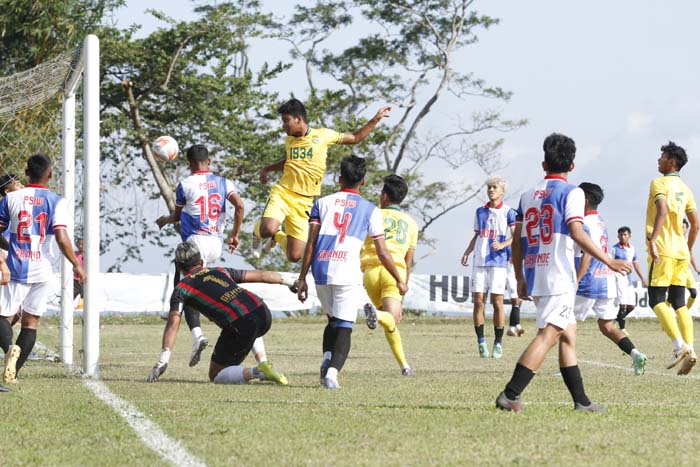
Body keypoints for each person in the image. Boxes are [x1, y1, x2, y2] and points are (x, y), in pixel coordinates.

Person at [495, 133, 631, 412]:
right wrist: (609, 260)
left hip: (535, 272)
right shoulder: (572, 193)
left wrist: (520, 277)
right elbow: (577, 232)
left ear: (543, 164)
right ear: (572, 165)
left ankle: (581, 401)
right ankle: (510, 394)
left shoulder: (527, 194)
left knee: (567, 335)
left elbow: (519, 239)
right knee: (549, 335)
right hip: (558, 274)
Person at [296, 155, 408, 389]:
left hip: (321, 268)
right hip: (347, 270)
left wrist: (302, 277)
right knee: (345, 325)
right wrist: (399, 279)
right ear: (364, 181)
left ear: (339, 178)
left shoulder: (322, 203)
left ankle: (327, 359)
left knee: (332, 320)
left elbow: (310, 243)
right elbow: (383, 252)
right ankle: (332, 374)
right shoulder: (370, 209)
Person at [251, 98, 391, 262]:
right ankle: (257, 231)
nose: (283, 125)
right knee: (267, 229)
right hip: (283, 192)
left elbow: (355, 137)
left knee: (295, 256)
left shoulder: (323, 135)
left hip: (304, 201)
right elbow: (289, 162)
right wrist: (267, 168)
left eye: (286, 120)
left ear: (299, 119)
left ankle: (278, 237)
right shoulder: (289, 140)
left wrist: (376, 119)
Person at [156, 144, 255, 368]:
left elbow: (179, 216)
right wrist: (235, 235)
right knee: (190, 287)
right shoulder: (224, 182)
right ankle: (199, 335)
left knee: (183, 292)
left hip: (195, 242)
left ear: (189, 164)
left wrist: (166, 219)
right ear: (208, 162)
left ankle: (196, 337)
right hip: (215, 243)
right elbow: (239, 206)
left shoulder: (185, 185)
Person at [147, 242, 288, 385]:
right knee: (249, 320)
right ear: (201, 261)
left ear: (178, 267)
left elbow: (172, 325)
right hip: (263, 311)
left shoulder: (182, 289)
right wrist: (293, 283)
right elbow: (262, 276)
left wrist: (162, 361)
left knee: (216, 375)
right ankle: (263, 362)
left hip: (243, 323)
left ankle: (259, 371)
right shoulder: (220, 270)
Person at [0, 154, 86, 385]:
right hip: (43, 269)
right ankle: (13, 372)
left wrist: (4, 252)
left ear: (26, 173)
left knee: (4, 317)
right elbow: (61, 236)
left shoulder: (11, 198)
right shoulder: (57, 201)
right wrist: (77, 265)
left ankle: (9, 349)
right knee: (30, 322)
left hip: (16, 266)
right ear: (50, 174)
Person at [574, 183, 647, 375]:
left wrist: (576, 280)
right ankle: (635, 353)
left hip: (588, 282)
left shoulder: (584, 224)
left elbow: (587, 255)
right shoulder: (600, 221)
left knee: (564, 322)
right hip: (606, 281)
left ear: (585, 200)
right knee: (607, 326)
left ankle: (567, 364)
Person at [645, 141, 698, 375]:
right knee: (678, 303)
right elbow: (695, 224)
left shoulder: (659, 182)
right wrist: (687, 249)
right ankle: (692, 349)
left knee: (656, 299)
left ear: (672, 162)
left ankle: (679, 347)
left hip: (663, 249)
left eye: (663, 156)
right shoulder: (686, 188)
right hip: (681, 252)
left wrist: (654, 240)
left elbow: (662, 210)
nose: (659, 160)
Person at [360, 174, 417, 376]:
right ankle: (404, 365)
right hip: (395, 273)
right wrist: (402, 287)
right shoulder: (410, 223)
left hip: (370, 273)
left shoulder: (370, 214)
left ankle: (405, 366)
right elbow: (408, 262)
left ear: (384, 196)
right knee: (390, 318)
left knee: (387, 321)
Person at [460, 177, 516, 358]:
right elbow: (476, 236)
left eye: (494, 187)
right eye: (489, 187)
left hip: (498, 263)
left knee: (498, 302)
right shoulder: (480, 211)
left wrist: (502, 245)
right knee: (478, 301)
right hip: (479, 261)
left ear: (502, 191)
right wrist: (467, 252)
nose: (491, 190)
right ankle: (481, 341)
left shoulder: (508, 212)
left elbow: (516, 237)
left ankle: (498, 343)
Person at [611, 227, 647, 334]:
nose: (622, 237)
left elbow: (636, 264)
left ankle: (615, 320)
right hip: (618, 277)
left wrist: (642, 278)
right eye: (620, 235)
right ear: (618, 236)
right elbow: (609, 263)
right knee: (623, 303)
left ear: (629, 236)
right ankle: (622, 329)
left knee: (631, 305)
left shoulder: (632, 248)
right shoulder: (614, 249)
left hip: (628, 280)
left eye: (625, 235)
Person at [505, 246, 525, 337]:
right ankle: (518, 326)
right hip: (510, 275)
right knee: (516, 300)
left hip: (521, 275)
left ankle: (511, 328)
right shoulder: (508, 246)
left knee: (518, 302)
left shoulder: (525, 244)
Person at [682, 218, 700, 310]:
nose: (681, 229)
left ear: (687, 229)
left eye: (683, 227)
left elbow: (690, 254)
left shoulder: (688, 242)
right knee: (673, 296)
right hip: (675, 271)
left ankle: (684, 312)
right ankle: (665, 316)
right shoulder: (674, 240)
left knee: (693, 293)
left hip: (686, 270)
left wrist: (696, 268)